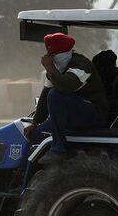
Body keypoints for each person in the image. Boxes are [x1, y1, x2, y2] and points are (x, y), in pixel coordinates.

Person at [27, 33, 108, 164]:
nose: (49, 58)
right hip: (75, 113)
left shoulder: (81, 65)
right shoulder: (57, 69)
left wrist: (49, 67)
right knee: (38, 133)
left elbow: (66, 86)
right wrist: (35, 123)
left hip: (94, 113)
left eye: (52, 55)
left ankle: (58, 149)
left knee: (55, 94)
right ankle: (30, 168)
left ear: (63, 53)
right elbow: (45, 95)